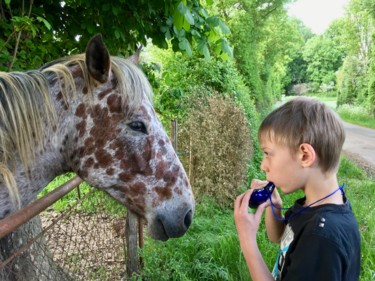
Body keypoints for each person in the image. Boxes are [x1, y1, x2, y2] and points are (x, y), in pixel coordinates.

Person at [234, 97, 361, 281]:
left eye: (268, 153)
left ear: (305, 155)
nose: (263, 165)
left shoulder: (321, 238)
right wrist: (274, 207)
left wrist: (247, 240)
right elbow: (279, 237)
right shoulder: (313, 203)